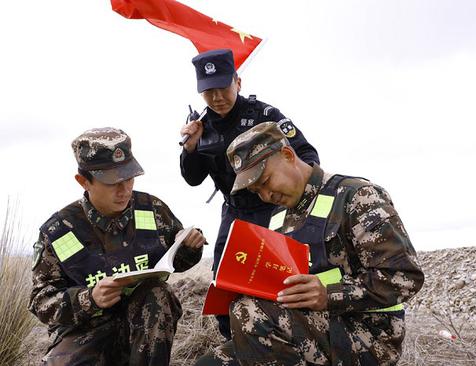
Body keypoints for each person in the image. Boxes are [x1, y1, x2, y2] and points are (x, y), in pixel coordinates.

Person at [195, 122, 424, 366]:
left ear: (287, 155)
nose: (265, 195)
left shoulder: (357, 196)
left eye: (266, 180)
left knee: (251, 313)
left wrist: (329, 294)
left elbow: (405, 277)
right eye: (255, 190)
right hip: (305, 324)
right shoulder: (277, 216)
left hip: (366, 334)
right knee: (209, 363)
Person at [29, 127, 206, 366]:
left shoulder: (151, 209)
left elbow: (177, 260)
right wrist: (89, 298)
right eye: (112, 182)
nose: (124, 190)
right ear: (83, 182)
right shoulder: (60, 231)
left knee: (158, 294)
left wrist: (189, 248)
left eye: (129, 178)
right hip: (86, 332)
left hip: (144, 324)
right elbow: (41, 302)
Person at [179, 48, 320, 338]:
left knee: (278, 278)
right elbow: (192, 179)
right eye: (208, 92)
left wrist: (297, 199)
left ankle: (284, 339)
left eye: (223, 88)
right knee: (224, 281)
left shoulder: (264, 116)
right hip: (234, 212)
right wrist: (189, 147)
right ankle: (234, 342)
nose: (217, 98)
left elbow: (307, 154)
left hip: (274, 208)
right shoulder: (200, 127)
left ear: (238, 82)